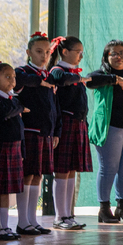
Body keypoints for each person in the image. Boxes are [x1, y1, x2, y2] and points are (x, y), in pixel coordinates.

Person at [89, 41, 123, 224]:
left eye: (122, 53)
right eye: (114, 54)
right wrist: (115, 80)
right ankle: (104, 209)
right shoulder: (101, 76)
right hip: (111, 130)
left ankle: (122, 207)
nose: (119, 56)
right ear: (106, 57)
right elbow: (89, 81)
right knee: (108, 169)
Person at [47, 37, 92, 229]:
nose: (81, 55)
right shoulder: (58, 71)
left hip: (78, 124)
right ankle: (60, 216)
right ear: (64, 52)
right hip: (65, 124)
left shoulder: (74, 73)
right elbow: (60, 79)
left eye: (82, 52)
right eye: (77, 51)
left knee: (71, 170)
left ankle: (68, 214)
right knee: (62, 170)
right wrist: (81, 78)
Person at [16, 35, 57, 236]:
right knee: (27, 175)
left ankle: (32, 219)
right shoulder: (22, 73)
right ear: (29, 53)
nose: (44, 55)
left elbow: (53, 107)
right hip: (29, 132)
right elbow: (18, 81)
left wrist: (55, 131)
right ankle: (23, 221)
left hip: (45, 133)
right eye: (39, 51)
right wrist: (40, 81)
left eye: (47, 52)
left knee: (37, 176)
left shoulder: (48, 75)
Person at [0, 61, 27, 240]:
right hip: (1, 148)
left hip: (15, 148)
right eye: (7, 77)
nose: (12, 80)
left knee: (6, 190)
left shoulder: (13, 100)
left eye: (14, 77)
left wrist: (22, 151)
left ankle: (4, 226)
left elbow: (20, 128)